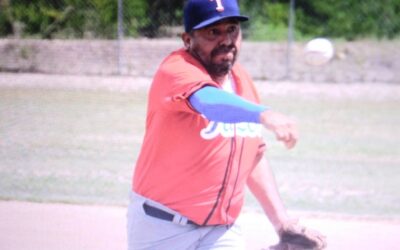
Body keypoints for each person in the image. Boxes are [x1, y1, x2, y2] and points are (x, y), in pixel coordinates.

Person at [128, 0, 326, 249]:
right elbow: (208, 101)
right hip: (163, 228)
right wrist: (264, 114)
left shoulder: (240, 79)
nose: (226, 39)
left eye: (232, 29)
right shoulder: (176, 69)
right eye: (213, 31)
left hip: (221, 232)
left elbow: (251, 155)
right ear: (188, 39)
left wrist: (282, 224)